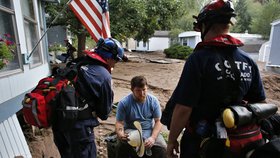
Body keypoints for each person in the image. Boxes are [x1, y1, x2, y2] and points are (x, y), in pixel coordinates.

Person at [166, 0, 266, 158]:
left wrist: (171, 141)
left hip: (201, 142)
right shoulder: (248, 60)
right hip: (238, 144)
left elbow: (184, 108)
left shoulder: (198, 59)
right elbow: (259, 104)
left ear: (206, 25)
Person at [52, 37, 125, 158]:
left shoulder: (76, 63)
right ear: (109, 57)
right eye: (116, 60)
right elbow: (104, 113)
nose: (115, 64)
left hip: (59, 126)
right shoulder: (104, 75)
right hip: (80, 131)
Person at [115, 75, 167, 158]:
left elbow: (158, 121)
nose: (142, 93)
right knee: (121, 146)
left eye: (144, 89)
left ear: (147, 88)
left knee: (162, 148)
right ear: (132, 90)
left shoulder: (153, 101)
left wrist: (153, 138)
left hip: (148, 130)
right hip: (131, 130)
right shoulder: (124, 103)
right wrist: (120, 134)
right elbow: (119, 122)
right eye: (138, 90)